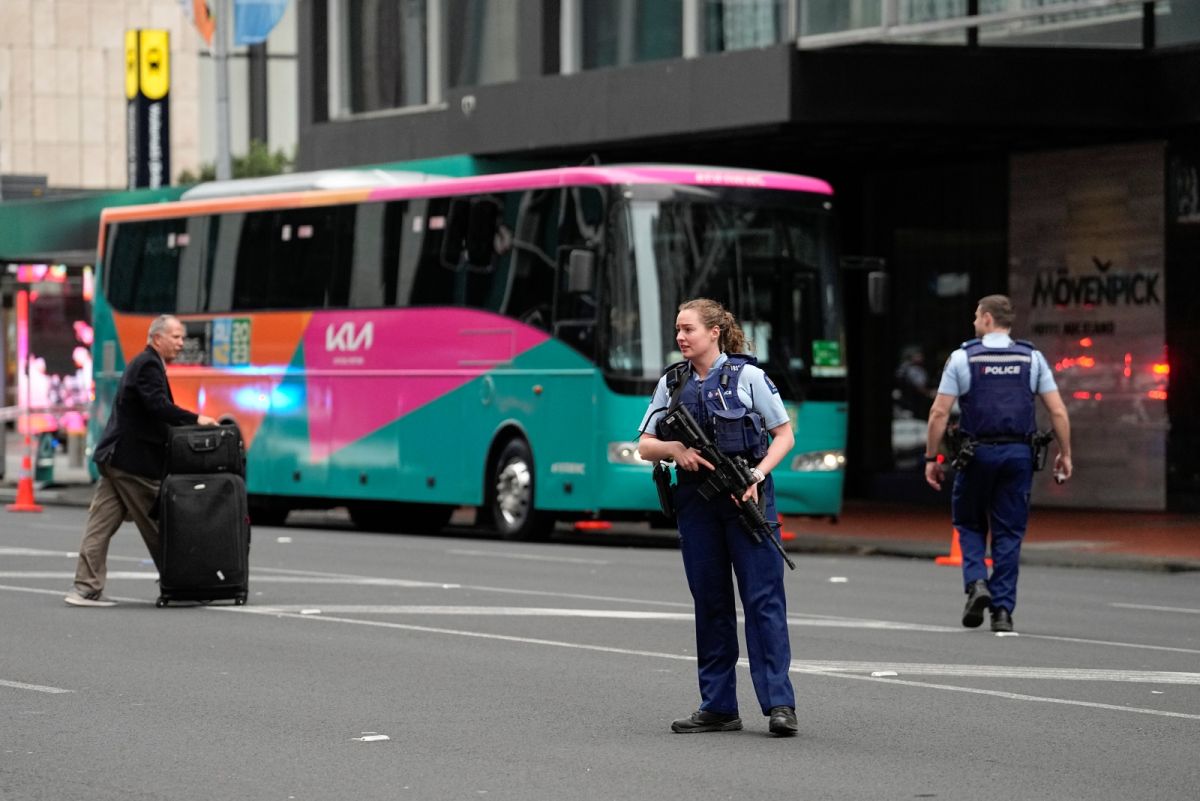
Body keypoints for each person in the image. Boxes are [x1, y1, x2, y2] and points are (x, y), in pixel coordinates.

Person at [637, 298, 798, 736]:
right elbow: (645, 444)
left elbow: (784, 435)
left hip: (747, 498)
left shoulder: (748, 377)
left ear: (714, 332)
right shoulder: (672, 383)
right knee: (711, 603)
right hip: (696, 505)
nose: (680, 338)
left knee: (763, 602)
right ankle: (719, 705)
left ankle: (780, 705)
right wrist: (676, 450)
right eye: (677, 330)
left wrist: (757, 473)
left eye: (688, 329)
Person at [924, 295, 1072, 633]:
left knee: (969, 522)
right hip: (1019, 455)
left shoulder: (963, 358)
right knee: (1009, 532)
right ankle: (1003, 612)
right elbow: (1058, 411)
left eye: (977, 316)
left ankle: (977, 583)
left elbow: (939, 412)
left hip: (976, 454)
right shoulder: (1031, 358)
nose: (974, 322)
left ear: (988, 319)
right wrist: (1065, 453)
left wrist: (932, 457)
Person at [64, 315, 216, 607]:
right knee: (160, 524)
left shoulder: (146, 363)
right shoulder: (148, 364)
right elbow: (157, 406)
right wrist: (196, 419)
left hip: (116, 457)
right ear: (157, 338)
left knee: (100, 524)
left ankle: (85, 588)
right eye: (176, 337)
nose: (182, 343)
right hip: (132, 462)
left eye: (182, 337)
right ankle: (180, 586)